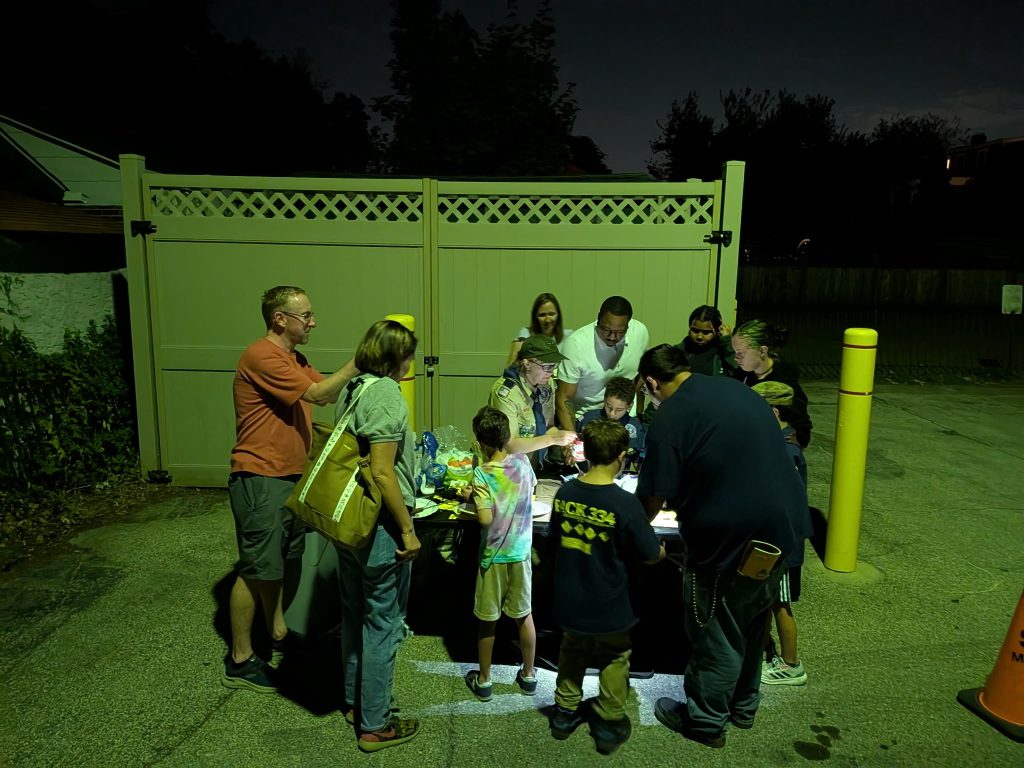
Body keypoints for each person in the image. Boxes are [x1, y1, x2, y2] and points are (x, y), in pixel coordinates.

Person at [635, 344, 803, 749]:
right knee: (751, 619)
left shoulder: (670, 416)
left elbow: (654, 495)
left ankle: (705, 721)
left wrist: (632, 532)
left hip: (729, 538)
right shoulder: (735, 389)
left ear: (652, 383)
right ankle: (743, 706)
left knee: (717, 628)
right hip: (782, 529)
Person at [224, 286, 359, 693]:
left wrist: (371, 375)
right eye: (306, 315)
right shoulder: (261, 355)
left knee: (286, 560)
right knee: (255, 568)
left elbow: (328, 392)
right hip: (261, 477)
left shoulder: (294, 359)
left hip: (291, 476)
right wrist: (360, 360)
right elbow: (317, 392)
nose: (313, 322)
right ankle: (241, 658)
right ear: (280, 318)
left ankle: (277, 632)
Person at [547, 419, 665, 755]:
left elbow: (555, 539)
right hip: (608, 600)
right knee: (615, 656)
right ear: (621, 456)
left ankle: (563, 714)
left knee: (573, 650)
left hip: (570, 597)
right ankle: (610, 721)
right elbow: (649, 553)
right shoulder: (624, 504)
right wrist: (661, 552)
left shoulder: (566, 493)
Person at [337, 319, 422, 753]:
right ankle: (376, 724)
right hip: (380, 527)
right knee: (383, 622)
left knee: (356, 614)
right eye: (408, 354)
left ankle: (356, 702)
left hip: (349, 523)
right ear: (394, 357)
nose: (412, 362)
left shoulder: (357, 387)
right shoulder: (387, 393)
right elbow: (383, 471)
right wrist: (407, 529)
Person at [462, 406, 540, 703]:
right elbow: (530, 490)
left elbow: (484, 519)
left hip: (493, 557)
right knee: (524, 616)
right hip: (520, 554)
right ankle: (529, 675)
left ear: (480, 443)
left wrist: (473, 497)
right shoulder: (522, 463)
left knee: (488, 620)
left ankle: (484, 680)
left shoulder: (482, 473)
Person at [751, 381, 812, 686]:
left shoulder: (787, 452)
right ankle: (763, 650)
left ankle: (791, 665)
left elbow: (788, 505)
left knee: (780, 603)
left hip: (781, 546)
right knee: (764, 600)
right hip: (772, 541)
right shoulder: (780, 442)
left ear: (773, 412)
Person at [556, 296, 649, 460]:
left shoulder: (640, 332)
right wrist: (572, 440)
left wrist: (634, 408)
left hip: (625, 420)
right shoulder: (576, 345)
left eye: (620, 332)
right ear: (598, 320)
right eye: (606, 330)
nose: (613, 337)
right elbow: (564, 398)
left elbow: (641, 372)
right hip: (588, 421)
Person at [489, 334, 576, 470]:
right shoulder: (506, 393)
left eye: (553, 366)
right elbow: (509, 445)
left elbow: (548, 426)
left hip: (531, 465)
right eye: (546, 366)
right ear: (527, 363)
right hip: (505, 469)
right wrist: (553, 439)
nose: (551, 372)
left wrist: (566, 441)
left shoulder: (547, 385)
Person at [731, 319, 812, 448]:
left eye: (741, 353)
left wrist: (799, 439)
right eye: (735, 352)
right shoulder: (740, 375)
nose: (736, 358)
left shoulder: (784, 379)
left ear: (762, 351)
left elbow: (799, 417)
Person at [576, 376, 645, 462]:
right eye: (609, 406)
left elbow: (631, 456)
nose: (612, 414)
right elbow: (574, 443)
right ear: (604, 399)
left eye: (619, 409)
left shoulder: (635, 429)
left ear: (630, 405)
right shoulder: (587, 419)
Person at [508, 292, 574, 364]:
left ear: (558, 315)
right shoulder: (525, 334)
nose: (547, 320)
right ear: (535, 317)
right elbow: (511, 366)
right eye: (542, 315)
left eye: (551, 314)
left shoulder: (569, 337)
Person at [678, 305, 736, 378]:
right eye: (695, 331)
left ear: (717, 331)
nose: (699, 336)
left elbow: (738, 374)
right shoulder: (678, 353)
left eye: (706, 332)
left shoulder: (722, 355)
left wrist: (727, 343)